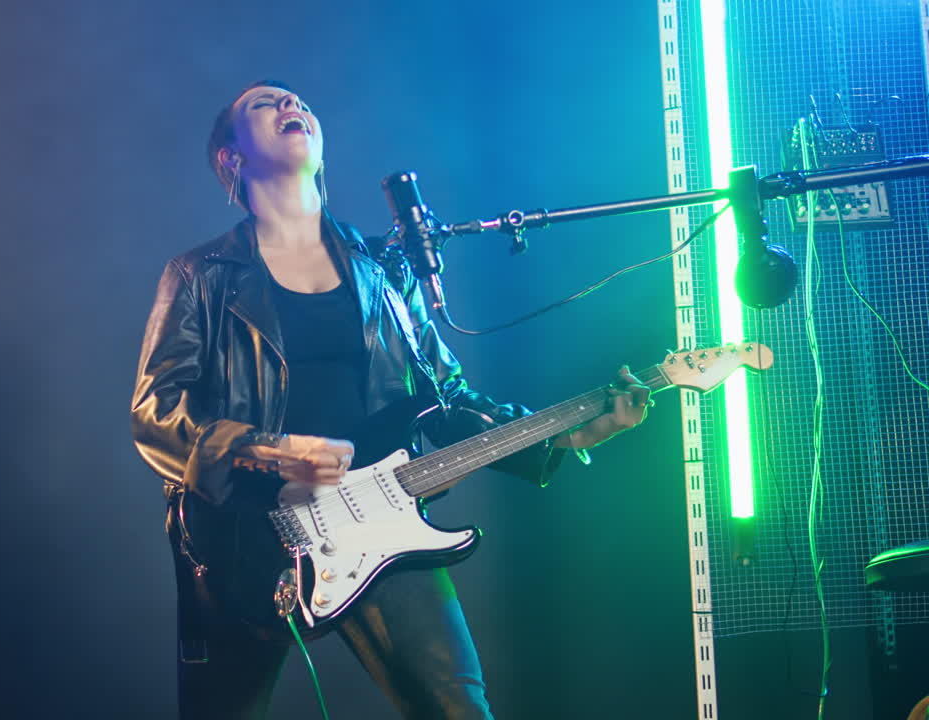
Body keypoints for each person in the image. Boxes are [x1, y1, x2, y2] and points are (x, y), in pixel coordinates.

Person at [130, 80, 651, 719]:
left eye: (298, 101)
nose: (291, 106)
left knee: (458, 708)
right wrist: (270, 451)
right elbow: (156, 413)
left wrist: (565, 435)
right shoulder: (200, 275)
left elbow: (447, 396)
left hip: (380, 523)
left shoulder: (383, 268)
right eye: (266, 105)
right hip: (241, 542)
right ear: (230, 159)